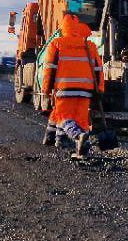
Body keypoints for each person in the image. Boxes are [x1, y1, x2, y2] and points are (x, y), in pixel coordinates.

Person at [41, 12, 103, 159]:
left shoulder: (56, 44)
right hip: (86, 91)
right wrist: (99, 89)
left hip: (64, 88)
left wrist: (46, 90)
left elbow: (49, 69)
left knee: (64, 117)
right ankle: (80, 148)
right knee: (81, 119)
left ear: (63, 28)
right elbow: (99, 70)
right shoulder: (90, 46)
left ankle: (77, 136)